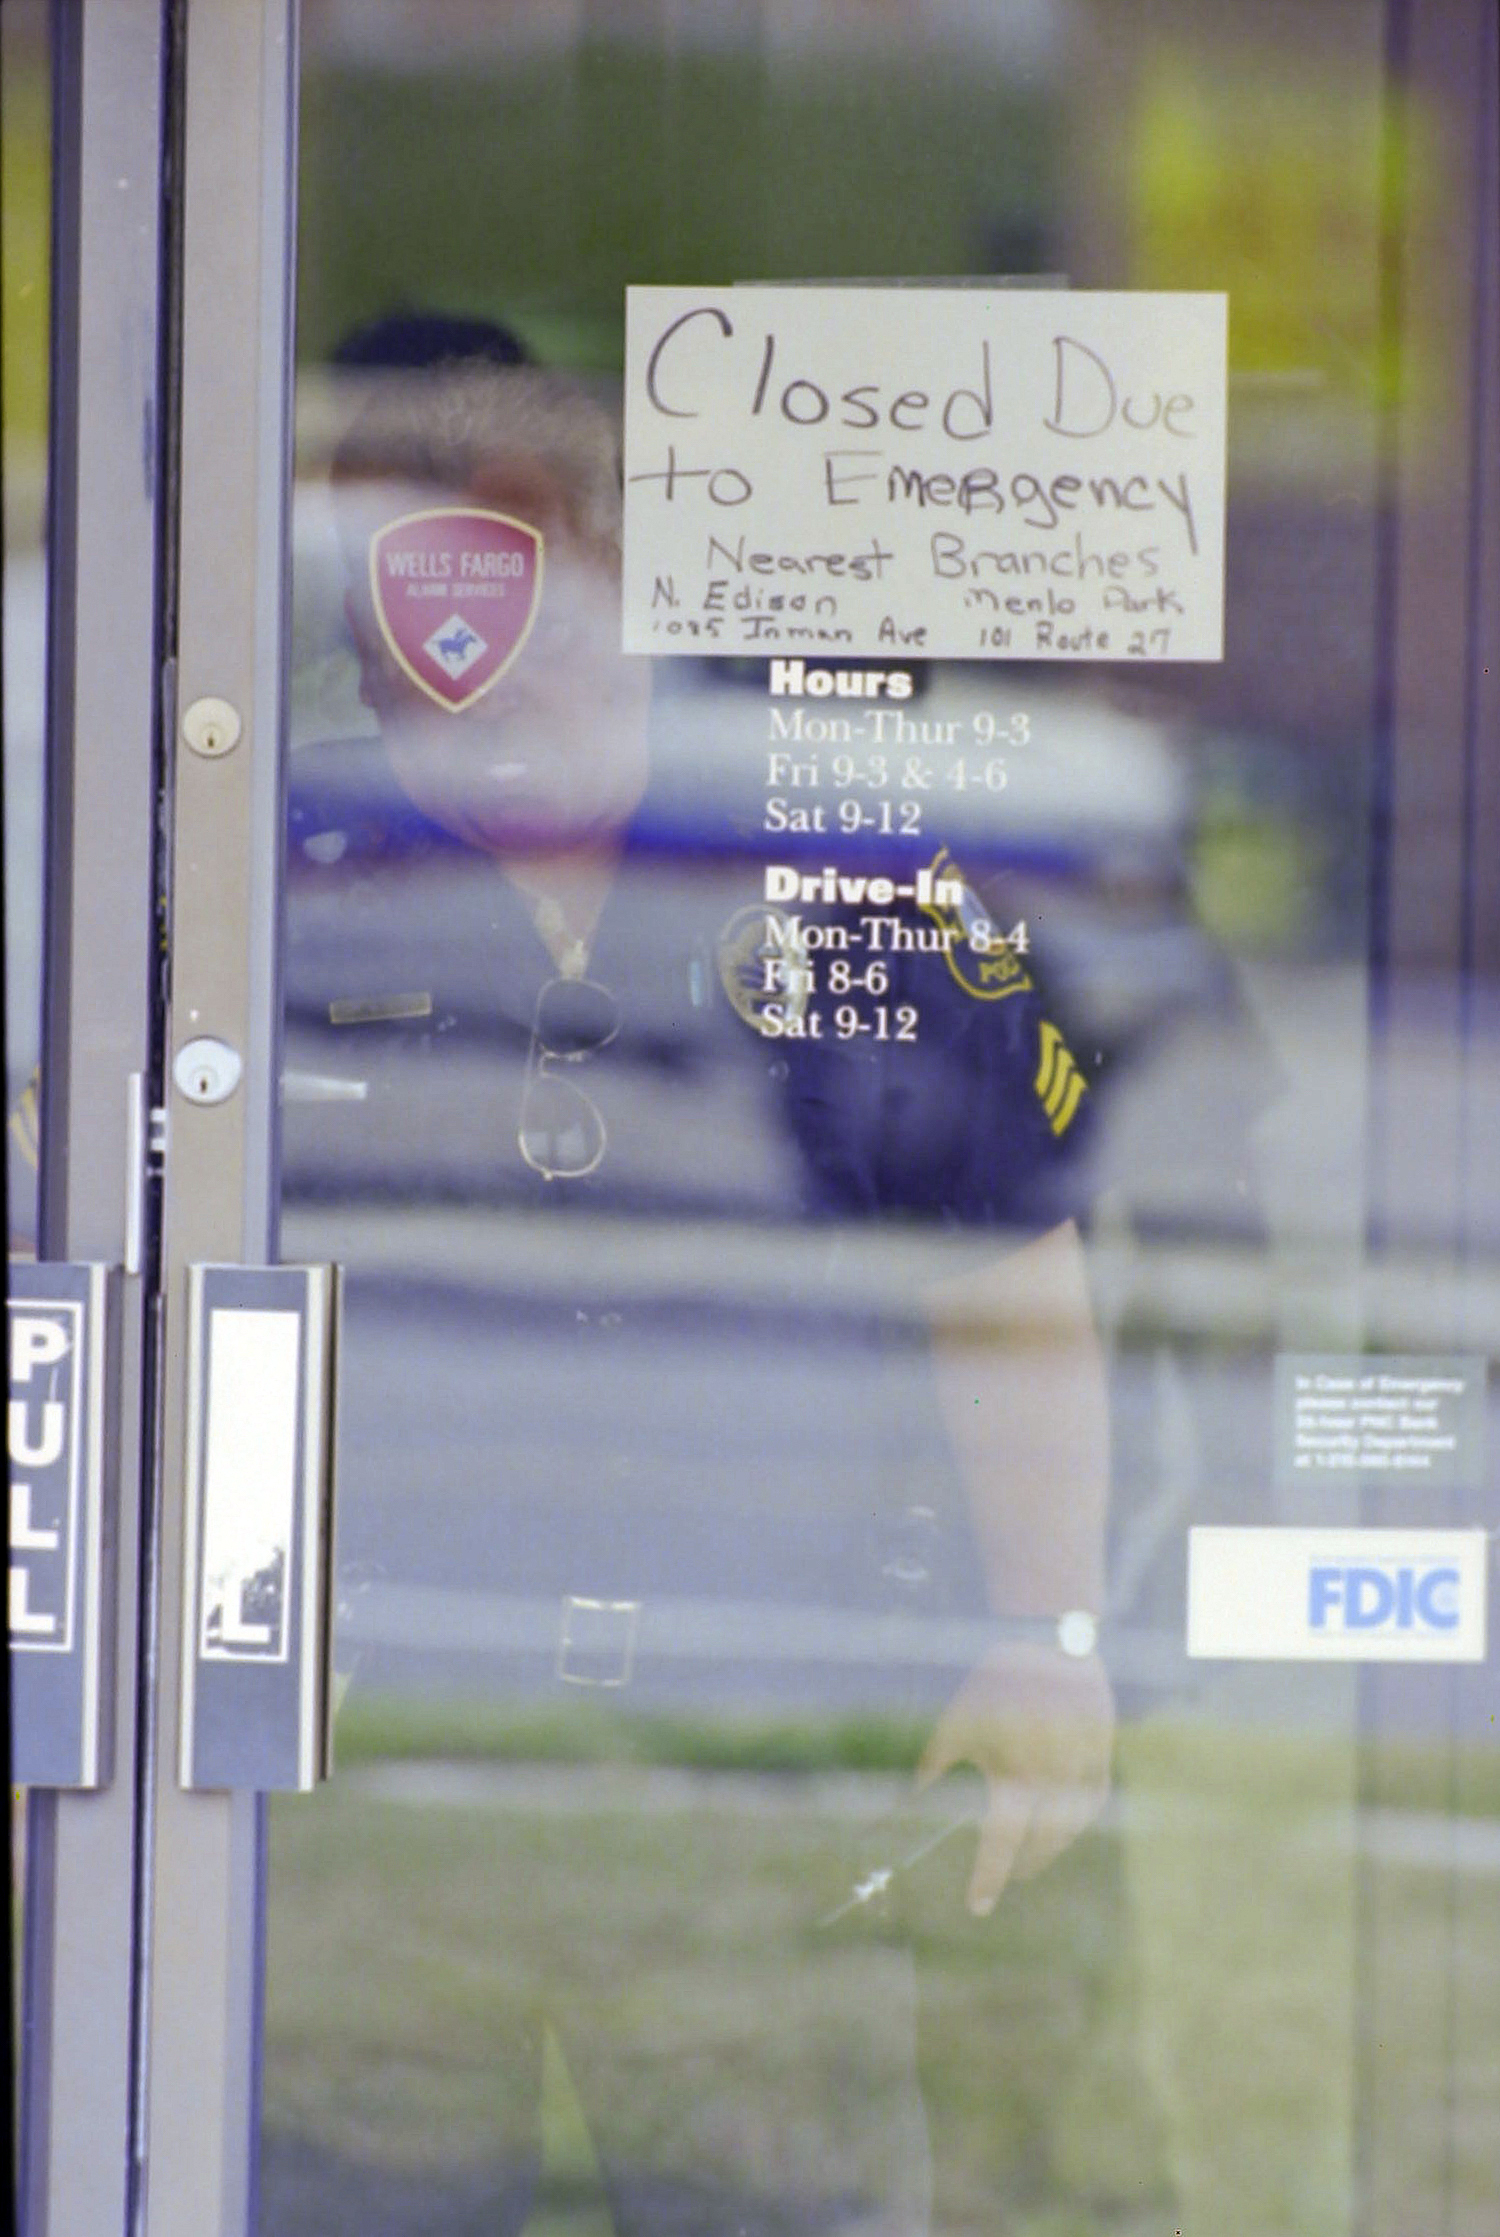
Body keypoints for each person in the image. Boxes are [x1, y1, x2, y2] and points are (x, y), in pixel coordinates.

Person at [277, 315, 1136, 2237]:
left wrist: (1046, 1633)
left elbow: (1003, 1265)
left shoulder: (845, 881)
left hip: (755, 1761)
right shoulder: (282, 872)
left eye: (516, 584)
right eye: (407, 605)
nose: (461, 660)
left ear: (616, 574)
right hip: (372, 1764)